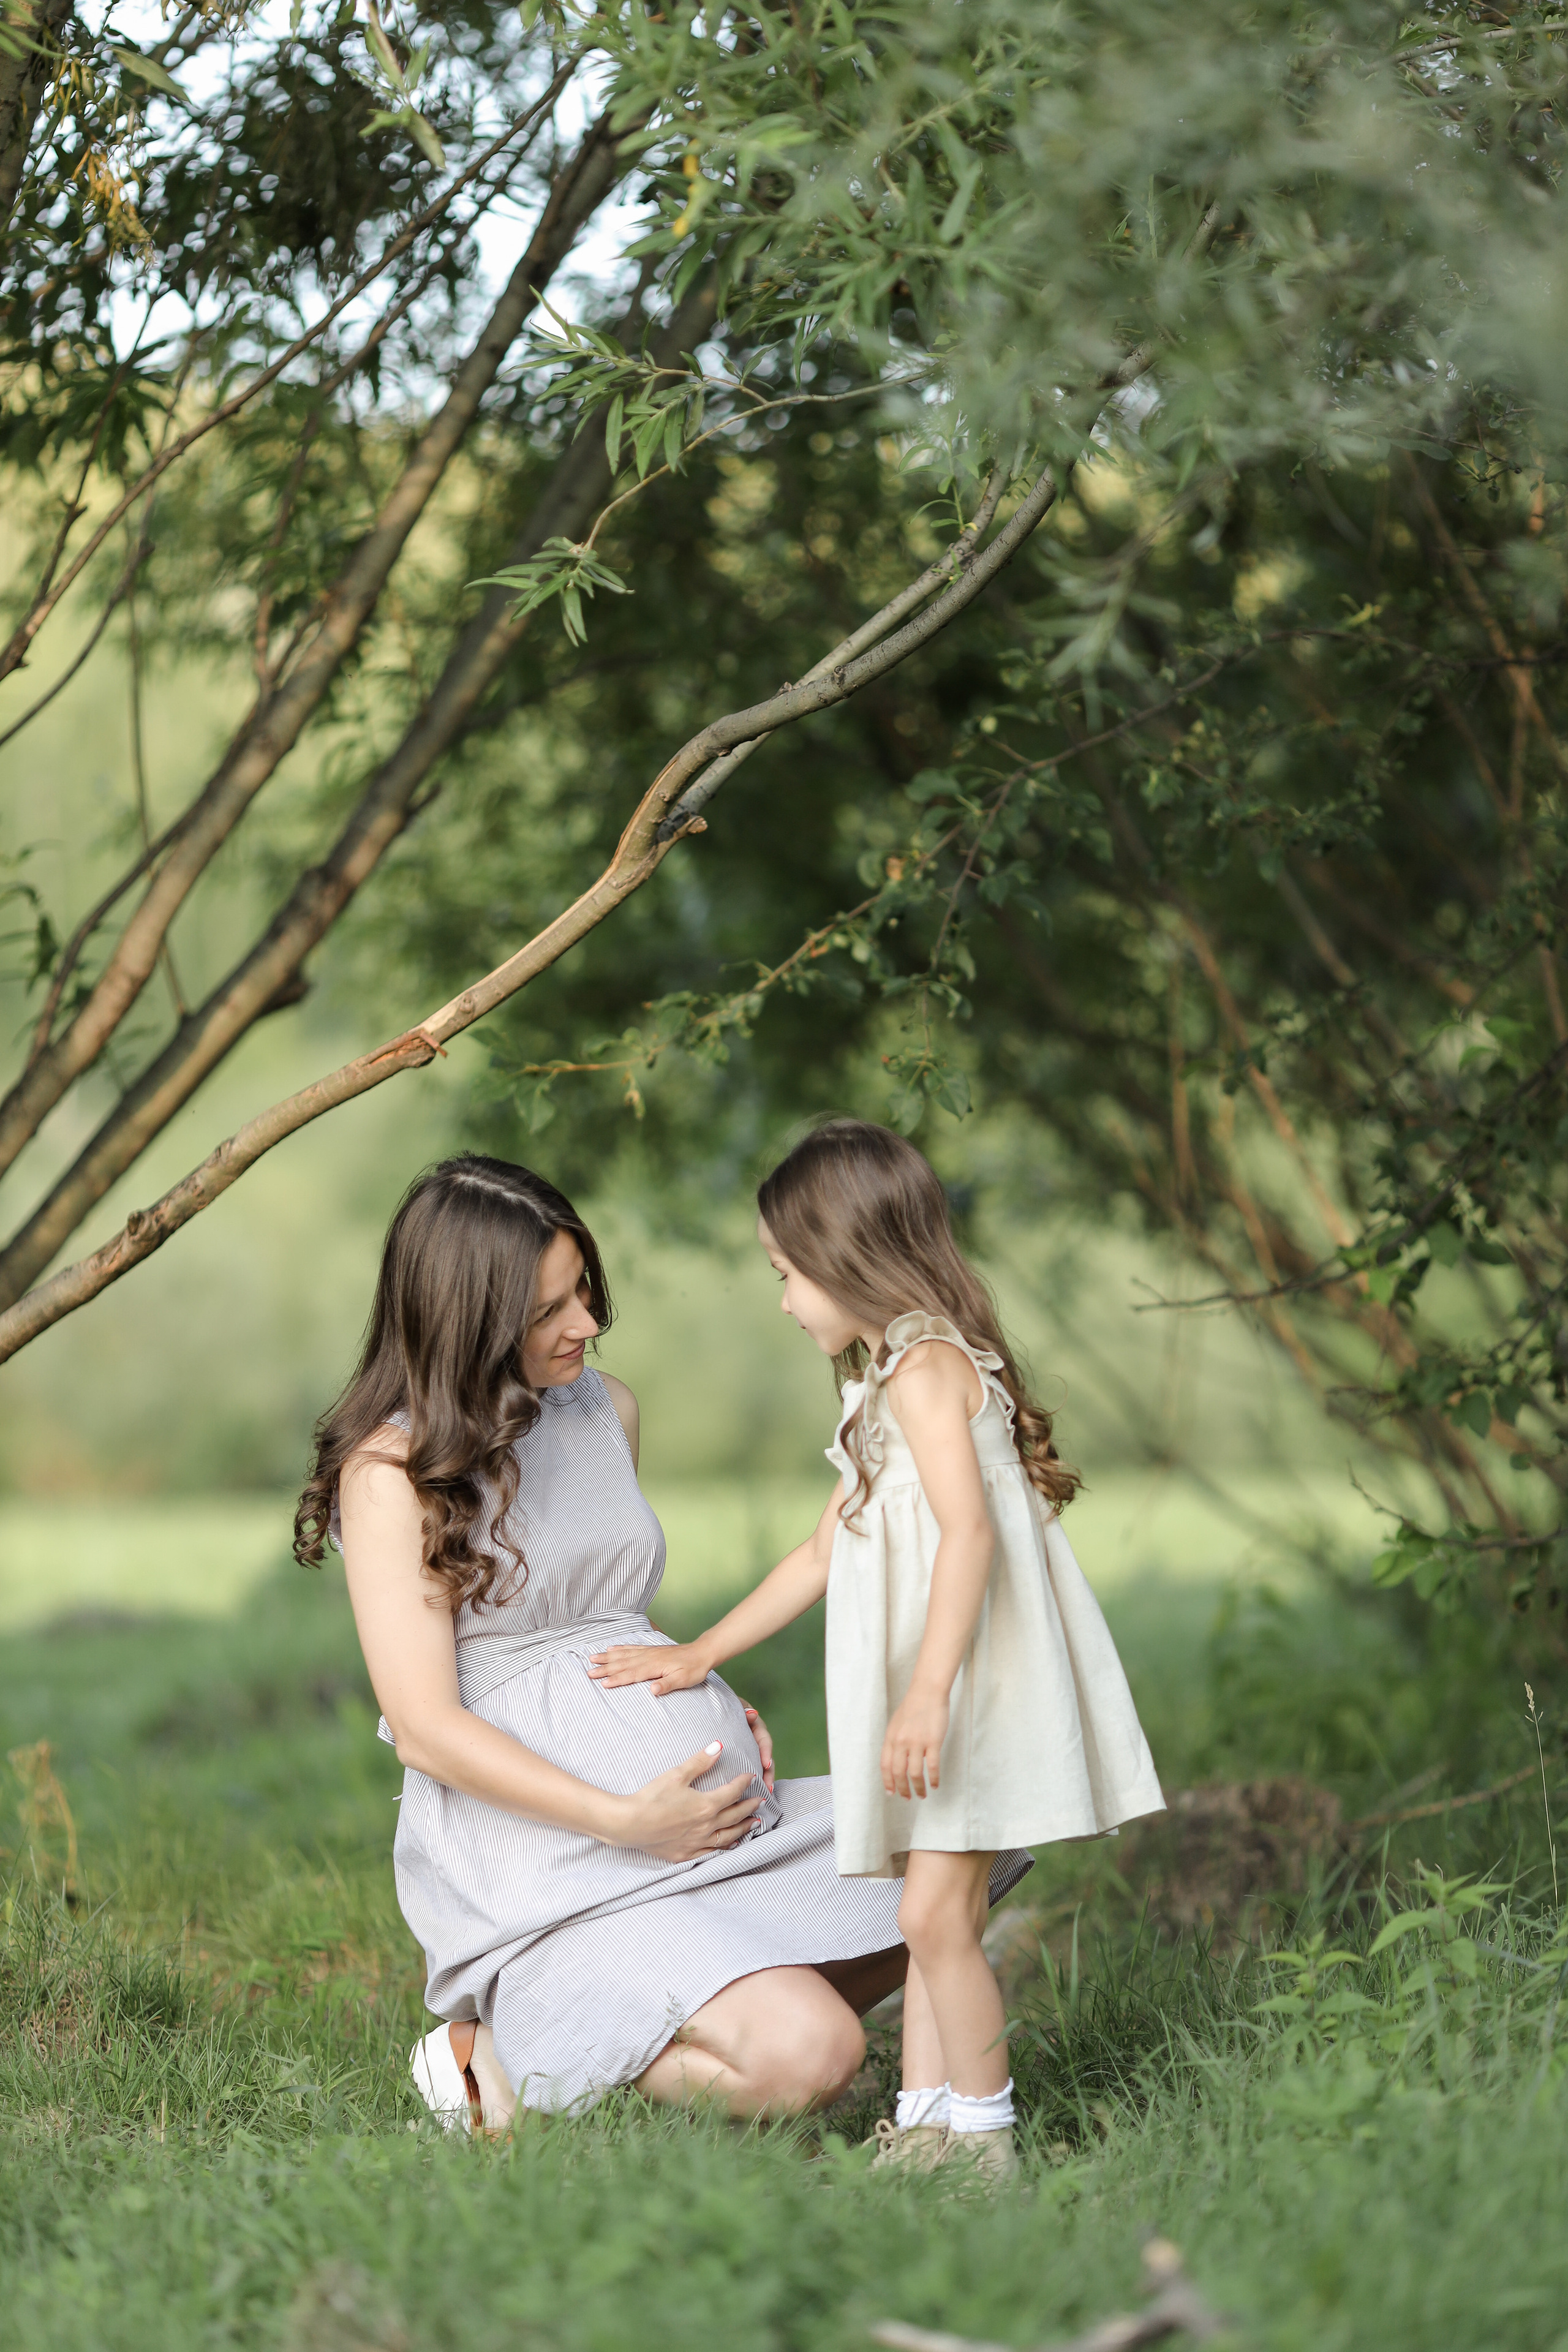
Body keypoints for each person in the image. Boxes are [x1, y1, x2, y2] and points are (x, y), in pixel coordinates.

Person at [295, 1152, 1030, 2132]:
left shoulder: (608, 1408)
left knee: (965, 1836)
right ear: (469, 1319)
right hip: (560, 1860)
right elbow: (425, 1728)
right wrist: (620, 1818)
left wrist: (709, 1708)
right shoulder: (390, 1471)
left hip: (704, 1828)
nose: (586, 1324)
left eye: (584, 1290)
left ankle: (593, 2033)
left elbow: (613, 1623)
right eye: (550, 1310)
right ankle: (498, 2056)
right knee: (813, 2054)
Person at [590, 1120, 1164, 2178]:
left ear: (846, 1255)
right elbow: (823, 1551)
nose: (783, 1301)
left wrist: (927, 1694)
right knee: (934, 1918)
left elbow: (970, 1533)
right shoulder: (889, 1379)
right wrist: (700, 1651)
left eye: (788, 1273)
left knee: (931, 1917)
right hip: (944, 1688)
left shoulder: (927, 1370)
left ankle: (981, 2140)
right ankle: (928, 2125)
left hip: (968, 1689)